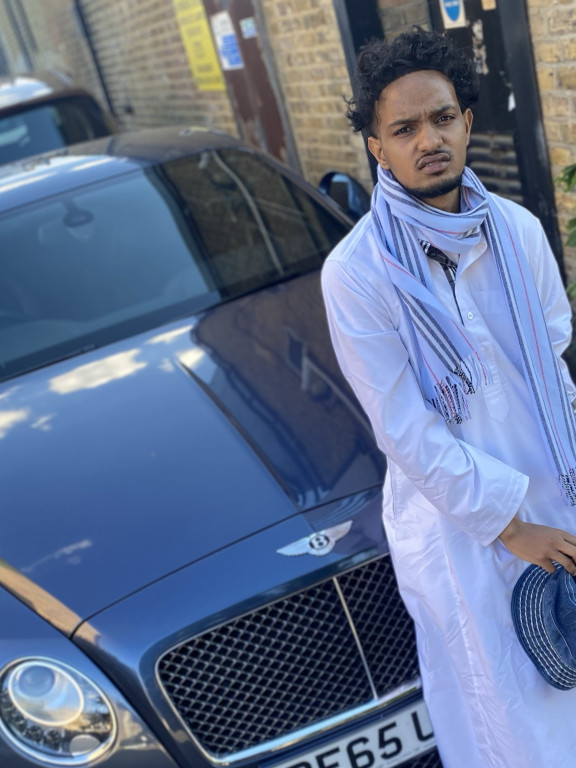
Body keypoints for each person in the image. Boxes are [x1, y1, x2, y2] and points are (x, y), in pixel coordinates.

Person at [321, 27, 576, 768]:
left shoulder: (518, 231)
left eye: (441, 118)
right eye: (404, 129)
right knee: (510, 721)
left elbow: (556, 369)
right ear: (377, 147)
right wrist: (509, 525)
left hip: (558, 495)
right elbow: (403, 428)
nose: (428, 140)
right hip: (458, 531)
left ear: (466, 121)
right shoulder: (357, 273)